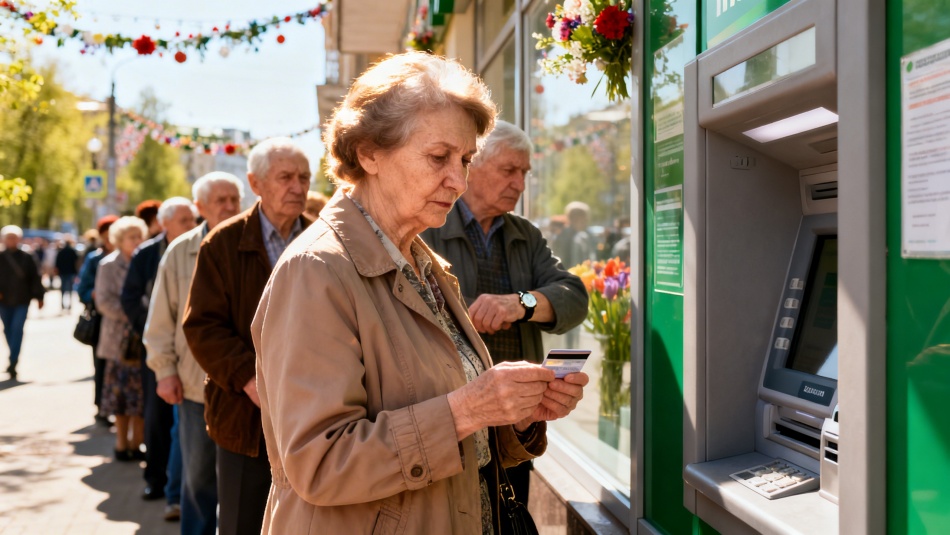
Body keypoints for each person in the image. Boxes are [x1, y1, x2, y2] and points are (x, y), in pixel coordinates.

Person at [250, 52, 588, 535]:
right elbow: (319, 464)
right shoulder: (316, 270)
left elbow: (457, 436)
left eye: (465, 160)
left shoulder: (423, 263)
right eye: (438, 157)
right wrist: (467, 409)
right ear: (369, 153)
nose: (459, 180)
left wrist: (515, 416)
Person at [421, 121, 589, 503]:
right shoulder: (429, 227)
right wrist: (469, 313)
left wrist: (521, 303)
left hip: (518, 421)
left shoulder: (525, 234)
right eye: (509, 170)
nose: (520, 183)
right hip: (452, 419)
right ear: (472, 166)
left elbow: (574, 296)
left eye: (525, 172)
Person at [183, 137, 312, 535]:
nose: (298, 187)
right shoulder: (222, 243)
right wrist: (249, 379)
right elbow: (202, 326)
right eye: (285, 177)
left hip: (315, 415)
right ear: (256, 183)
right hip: (245, 419)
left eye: (304, 177)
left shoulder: (325, 239)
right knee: (243, 521)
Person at [145, 172, 244, 535]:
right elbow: (161, 319)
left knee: (245, 484)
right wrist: (164, 372)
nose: (229, 207)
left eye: (234, 199)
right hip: (194, 387)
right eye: (220, 201)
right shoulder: (180, 250)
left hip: (249, 387)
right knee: (198, 479)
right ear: (200, 207)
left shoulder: (255, 244)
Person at [122, 197, 197, 519]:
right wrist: (153, 328)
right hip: (157, 349)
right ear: (165, 224)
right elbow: (130, 297)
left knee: (186, 422)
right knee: (157, 416)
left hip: (191, 349)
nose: (191, 226)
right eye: (184, 220)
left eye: (192, 219)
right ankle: (156, 479)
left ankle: (182, 488)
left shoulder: (202, 245)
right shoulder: (147, 253)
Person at [94, 216, 148, 460]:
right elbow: (104, 301)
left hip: (142, 337)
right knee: (119, 397)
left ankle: (137, 443)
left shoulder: (145, 261)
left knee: (140, 396)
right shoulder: (108, 265)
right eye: (131, 237)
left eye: (139, 236)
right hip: (118, 340)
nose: (136, 241)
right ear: (119, 240)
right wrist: (133, 313)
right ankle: (121, 443)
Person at [78, 215, 119, 422]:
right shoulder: (94, 259)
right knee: (101, 364)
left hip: (124, 321)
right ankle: (102, 406)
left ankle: (121, 407)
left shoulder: (131, 256)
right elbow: (82, 289)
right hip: (102, 320)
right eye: (107, 234)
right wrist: (95, 294)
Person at [0, 225, 45, 380]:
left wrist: (40, 297)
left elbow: (36, 277)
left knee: (17, 329)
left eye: (14, 237)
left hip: (22, 300)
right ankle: (13, 354)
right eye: (9, 237)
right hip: (3, 300)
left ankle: (13, 360)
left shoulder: (27, 257)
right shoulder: (1, 256)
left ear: (19, 239)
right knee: (8, 330)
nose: (11, 240)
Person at [552, 201, 593, 269]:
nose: (586, 221)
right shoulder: (566, 237)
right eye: (585, 218)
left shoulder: (562, 235)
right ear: (576, 218)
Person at [55, 238, 80, 311]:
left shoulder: (61, 251)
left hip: (63, 272)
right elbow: (76, 262)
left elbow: (57, 262)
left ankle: (62, 304)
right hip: (70, 272)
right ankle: (69, 304)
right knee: (70, 288)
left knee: (63, 288)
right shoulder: (72, 251)